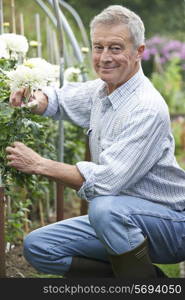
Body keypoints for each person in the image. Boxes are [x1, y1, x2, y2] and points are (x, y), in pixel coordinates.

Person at [6, 5, 185, 279]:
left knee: (103, 205)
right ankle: (147, 277)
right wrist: (35, 99)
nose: (104, 57)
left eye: (115, 48)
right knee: (39, 246)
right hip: (120, 219)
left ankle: (144, 288)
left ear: (139, 52)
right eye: (98, 47)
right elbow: (60, 100)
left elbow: (106, 183)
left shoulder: (145, 107)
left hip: (170, 223)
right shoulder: (102, 91)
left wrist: (39, 164)